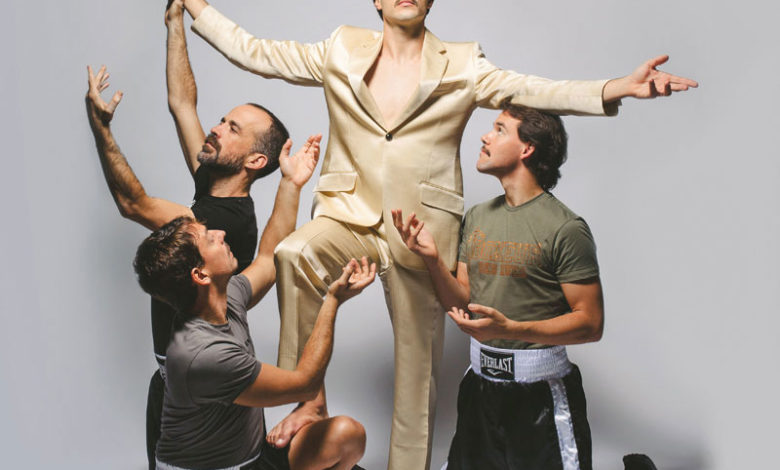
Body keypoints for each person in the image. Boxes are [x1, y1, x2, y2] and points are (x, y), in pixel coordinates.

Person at [177, 1, 697, 468]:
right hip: (348, 213)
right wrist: (196, 7)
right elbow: (257, 52)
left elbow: (533, 89)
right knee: (295, 254)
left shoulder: (464, 62)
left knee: (417, 375)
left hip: (421, 231)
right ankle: (308, 402)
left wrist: (616, 87)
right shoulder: (340, 47)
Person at [85, 2, 320, 466]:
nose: (215, 129)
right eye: (222, 120)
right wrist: (175, 23)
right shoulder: (214, 183)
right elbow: (182, 104)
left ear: (255, 161)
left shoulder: (217, 223)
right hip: (186, 378)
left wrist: (100, 127)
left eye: (231, 129)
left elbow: (133, 203)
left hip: (194, 384)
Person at [392, 104, 603, 469]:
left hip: (540, 395)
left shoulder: (566, 228)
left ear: (527, 148)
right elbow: (463, 302)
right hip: (479, 387)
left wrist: (512, 329)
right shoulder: (477, 217)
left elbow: (590, 324)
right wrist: (431, 260)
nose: (485, 137)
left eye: (500, 129)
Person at [133, 216, 374, 469]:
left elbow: (268, 258)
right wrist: (333, 300)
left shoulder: (223, 299)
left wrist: (291, 190)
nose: (221, 232)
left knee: (347, 435)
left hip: (251, 459)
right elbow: (306, 385)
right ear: (201, 274)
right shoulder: (204, 355)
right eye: (209, 239)